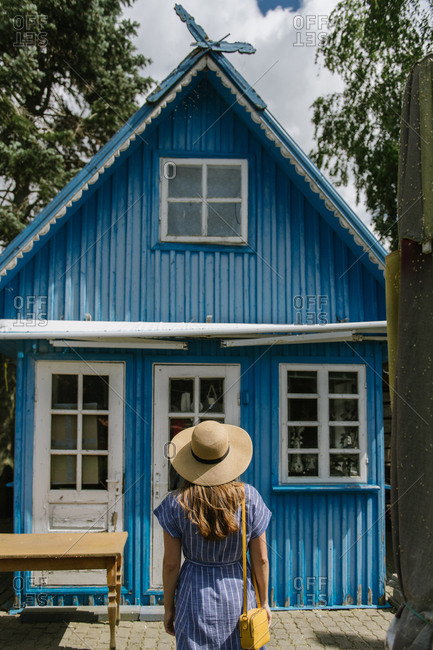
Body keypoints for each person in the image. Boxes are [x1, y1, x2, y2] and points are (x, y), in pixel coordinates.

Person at [153, 420, 272, 649]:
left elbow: (170, 565)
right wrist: (264, 602)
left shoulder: (175, 503)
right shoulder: (250, 498)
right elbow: (262, 559)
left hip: (194, 596)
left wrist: (169, 608)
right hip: (240, 596)